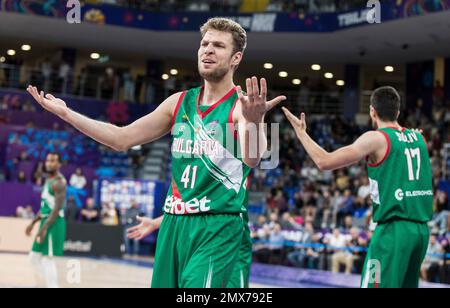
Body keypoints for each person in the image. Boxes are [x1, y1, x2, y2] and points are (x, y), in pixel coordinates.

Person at [27, 17, 286, 288]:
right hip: (174, 223)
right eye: (204, 43)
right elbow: (121, 138)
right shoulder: (179, 102)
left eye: (218, 46)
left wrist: (255, 122)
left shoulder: (241, 106)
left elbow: (254, 158)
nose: (208, 50)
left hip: (217, 226)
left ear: (236, 58)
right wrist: (67, 114)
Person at [283, 86, 433, 288]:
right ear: (398, 112)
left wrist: (301, 133)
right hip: (421, 232)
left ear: (372, 111)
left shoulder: (376, 138)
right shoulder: (420, 139)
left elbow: (324, 162)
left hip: (393, 229)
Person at [25, 153, 67, 288]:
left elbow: (56, 209)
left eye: (53, 161)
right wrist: (33, 223)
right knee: (33, 258)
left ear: (59, 164)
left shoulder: (59, 182)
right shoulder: (48, 180)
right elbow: (45, 207)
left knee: (47, 259)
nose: (49, 163)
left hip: (54, 223)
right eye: (48, 160)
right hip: (45, 221)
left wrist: (43, 229)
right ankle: (45, 284)